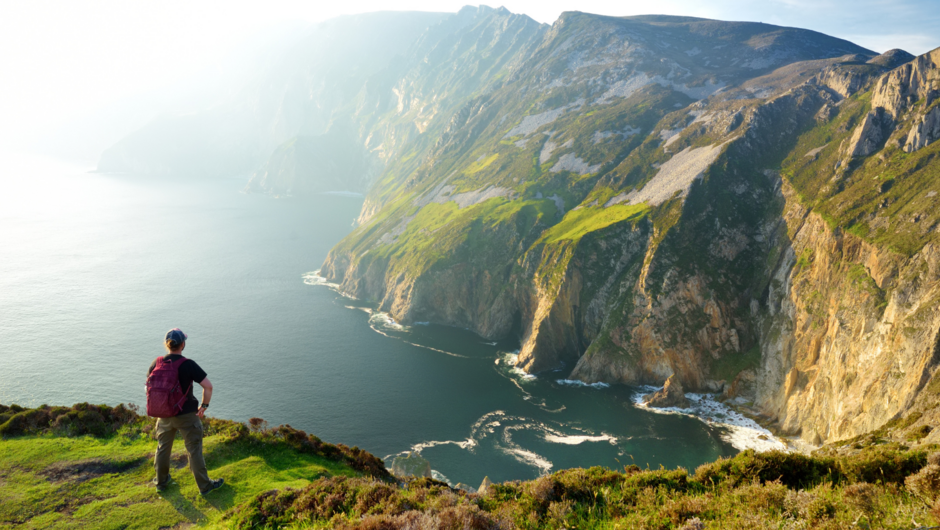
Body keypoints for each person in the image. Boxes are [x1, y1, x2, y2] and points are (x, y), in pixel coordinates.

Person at [148, 328, 224, 495]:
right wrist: (204, 406)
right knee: (194, 450)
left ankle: (161, 482)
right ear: (183, 344)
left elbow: (149, 386)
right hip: (187, 415)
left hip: (164, 415)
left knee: (162, 448)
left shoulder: (157, 362)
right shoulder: (188, 364)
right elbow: (208, 386)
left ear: (167, 344)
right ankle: (205, 486)